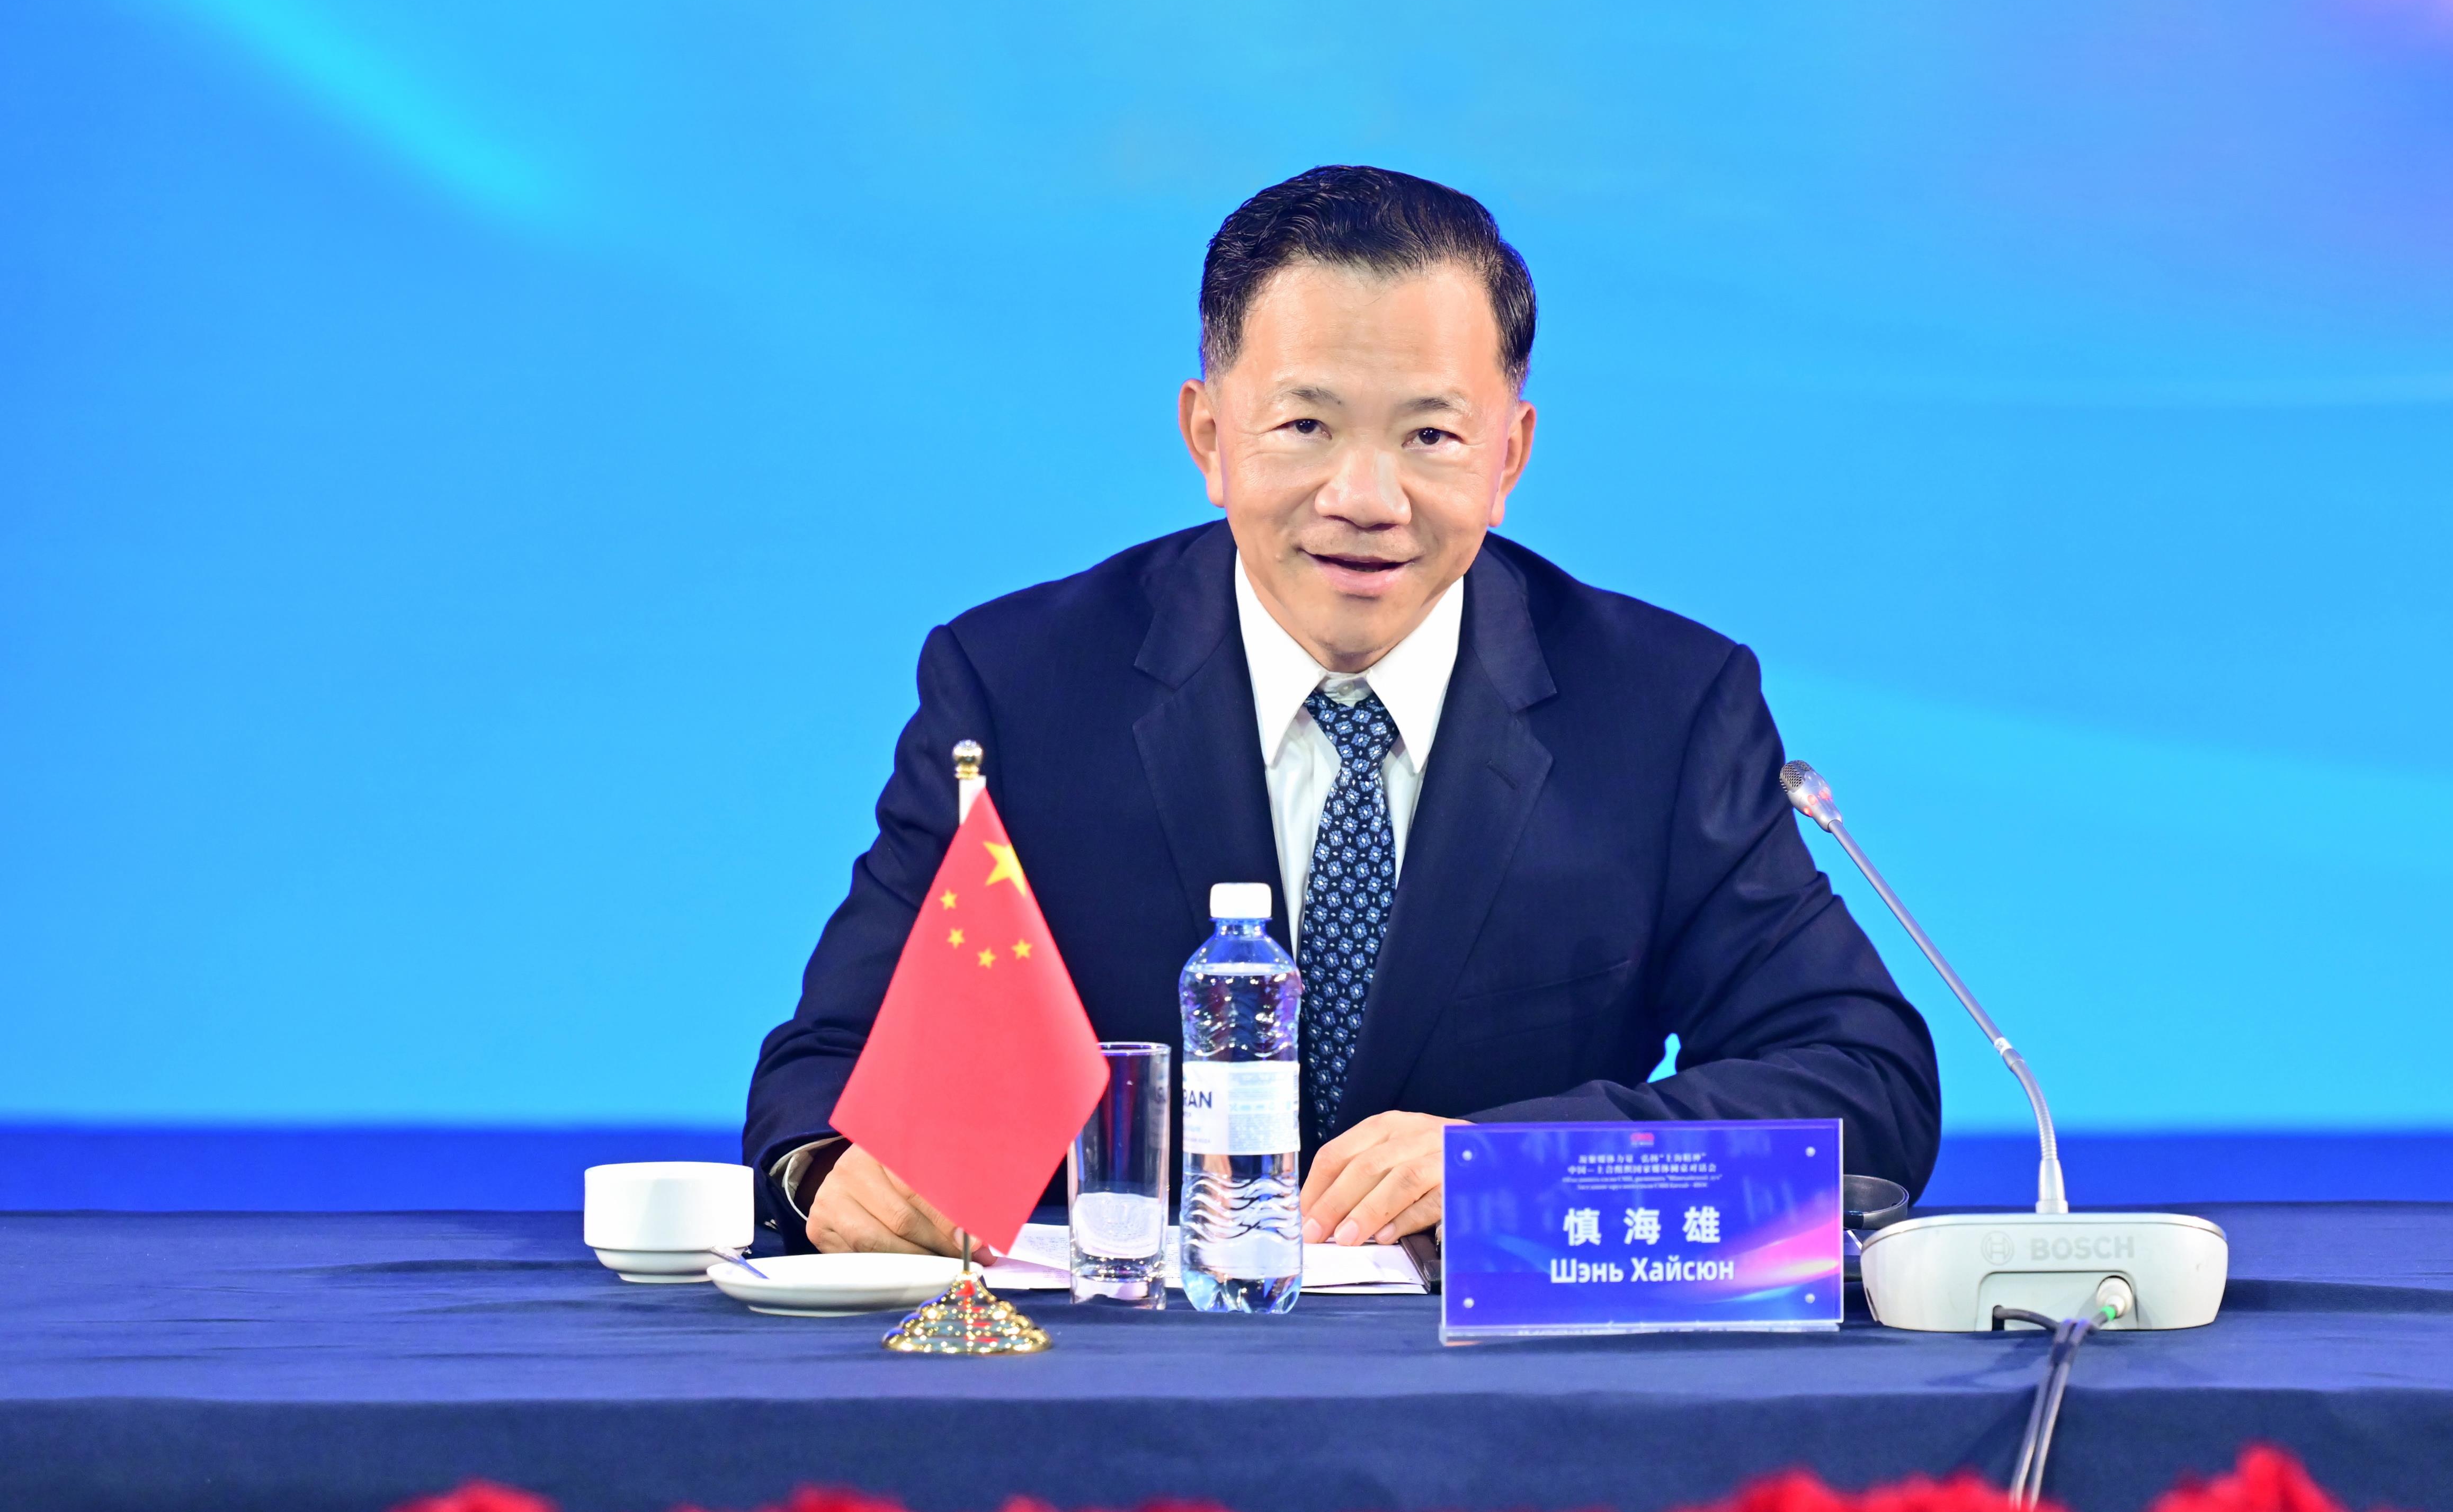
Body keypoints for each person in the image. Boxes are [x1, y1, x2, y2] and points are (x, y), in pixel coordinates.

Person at [744, 165, 1940, 1256]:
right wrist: (834, 1175)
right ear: (1208, 437)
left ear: (1508, 458)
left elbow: (1866, 1085)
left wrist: (1515, 1165)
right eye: (1305, 427)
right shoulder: (1021, 687)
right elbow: (828, 1070)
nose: (1365, 499)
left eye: (1430, 435)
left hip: (1510, 1400)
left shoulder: (1664, 710)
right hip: (1113, 1386)